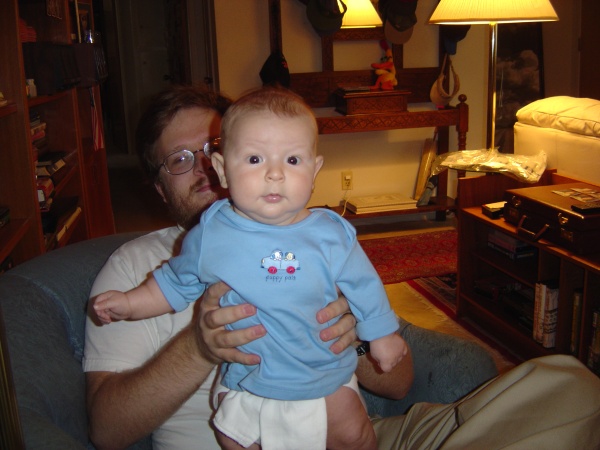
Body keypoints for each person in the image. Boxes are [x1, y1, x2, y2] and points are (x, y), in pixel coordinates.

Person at [85, 85, 600, 450]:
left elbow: (398, 382)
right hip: (250, 428)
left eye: (213, 146)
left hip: (353, 429)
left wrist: (351, 337)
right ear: (158, 187)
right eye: (180, 159)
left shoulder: (320, 236)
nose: (202, 166)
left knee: (570, 386)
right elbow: (106, 431)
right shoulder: (135, 267)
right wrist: (198, 347)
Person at [92, 86, 407, 450]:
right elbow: (106, 432)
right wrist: (180, 334)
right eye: (180, 159)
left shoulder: (328, 236)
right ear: (222, 169)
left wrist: (363, 335)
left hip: (330, 394)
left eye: (292, 159)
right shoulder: (175, 251)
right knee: (234, 436)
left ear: (314, 170)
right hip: (248, 392)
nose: (274, 173)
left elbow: (396, 374)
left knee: (370, 433)